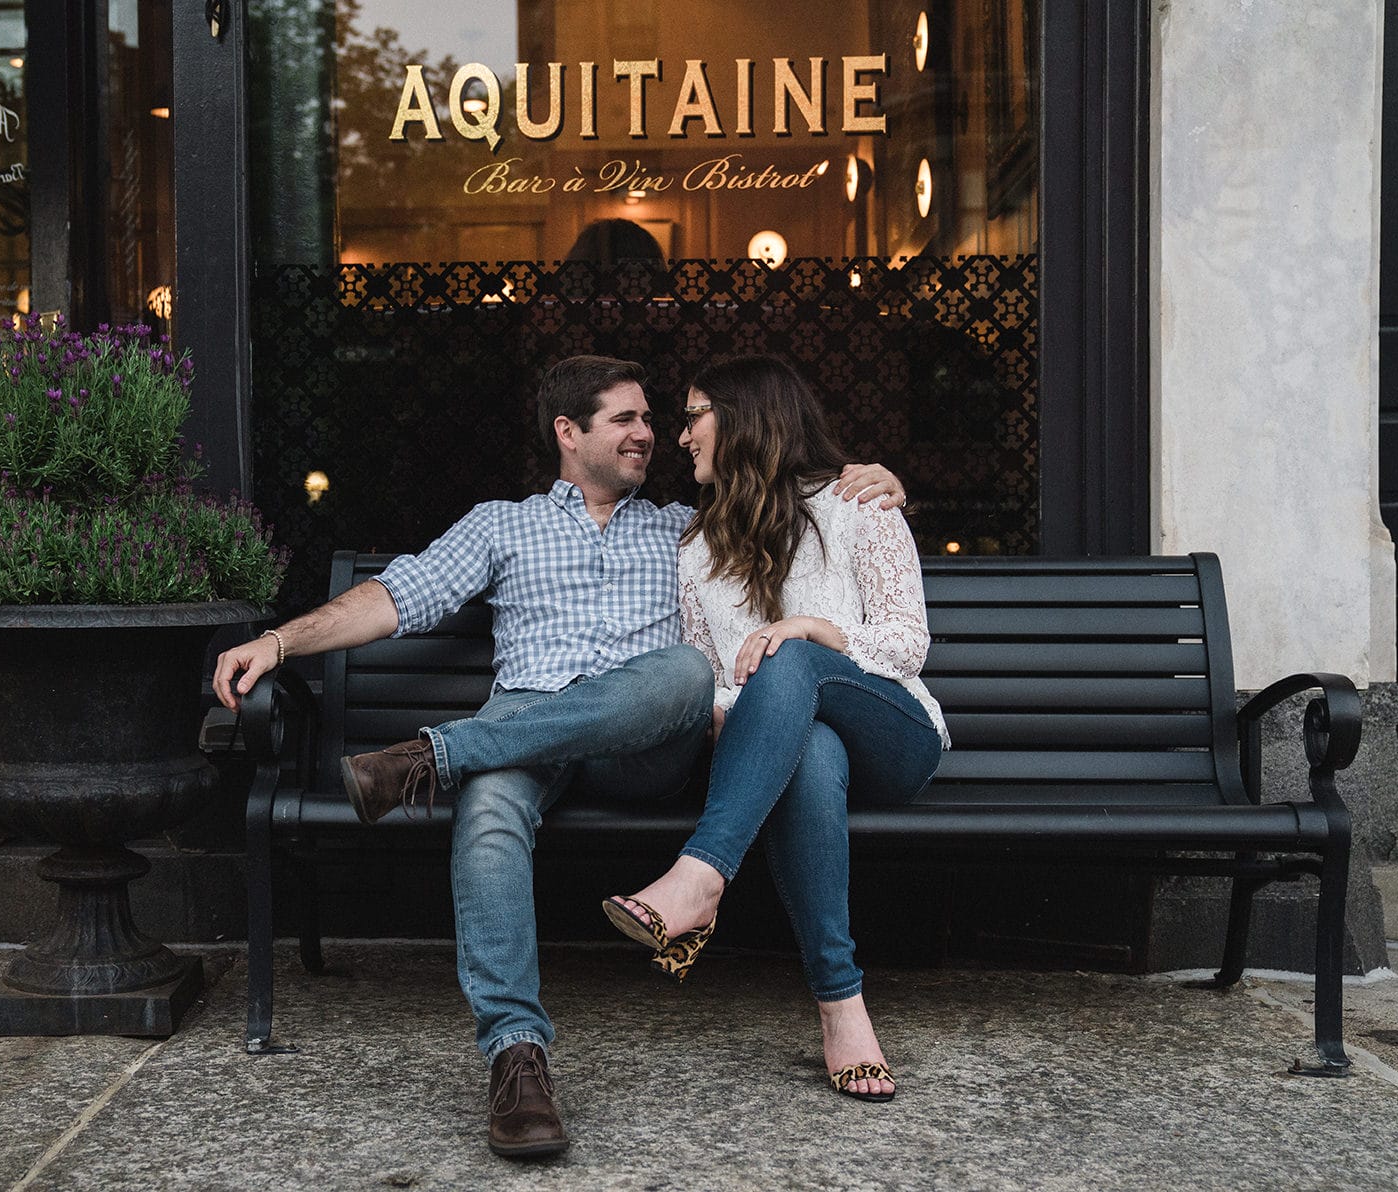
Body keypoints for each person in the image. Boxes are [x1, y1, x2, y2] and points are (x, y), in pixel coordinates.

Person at [212, 354, 904, 1159]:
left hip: (644, 739)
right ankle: (516, 1059)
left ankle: (436, 754)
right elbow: (397, 596)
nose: (649, 434)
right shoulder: (501, 524)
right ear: (568, 433)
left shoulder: (687, 524)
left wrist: (869, 479)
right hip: (527, 721)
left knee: (682, 671)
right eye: (626, 420)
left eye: (654, 419)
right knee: (488, 808)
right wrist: (276, 640)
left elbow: (786, 494)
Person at [602, 354, 949, 1104]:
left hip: (893, 734)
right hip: (795, 742)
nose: (682, 434)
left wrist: (811, 629)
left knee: (788, 659)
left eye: (695, 414)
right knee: (809, 746)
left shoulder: (858, 506)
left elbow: (904, 644)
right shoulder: (696, 547)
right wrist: (727, 715)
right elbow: (707, 669)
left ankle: (699, 876)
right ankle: (841, 1006)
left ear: (746, 419)